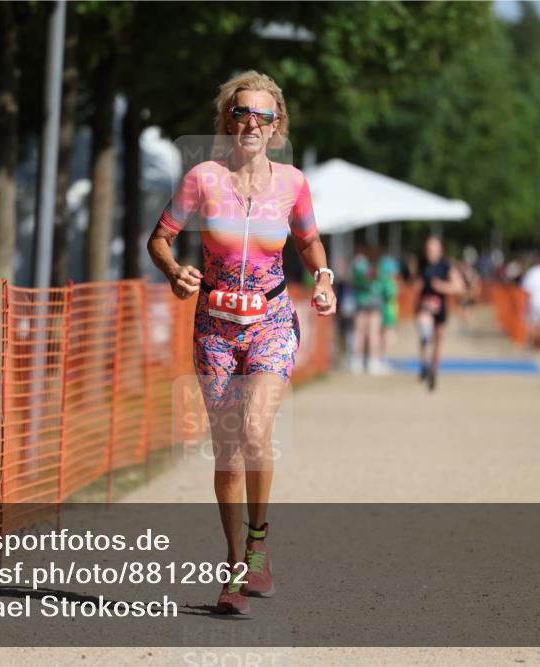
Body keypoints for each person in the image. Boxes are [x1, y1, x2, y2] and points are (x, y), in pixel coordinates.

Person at [146, 70, 335, 615]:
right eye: (240, 113)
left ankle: (258, 544)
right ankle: (233, 567)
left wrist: (323, 277)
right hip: (215, 326)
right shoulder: (202, 178)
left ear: (277, 127)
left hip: (272, 319)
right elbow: (160, 238)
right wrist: (173, 269)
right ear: (226, 122)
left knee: (256, 428)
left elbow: (309, 240)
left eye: (262, 115)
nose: (250, 123)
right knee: (227, 452)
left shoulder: (293, 183)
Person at [415, 236, 464, 392]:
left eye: (433, 249)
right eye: (428, 249)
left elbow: (459, 287)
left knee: (439, 339)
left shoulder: (446, 265)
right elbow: (416, 283)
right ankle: (424, 364)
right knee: (425, 332)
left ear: (440, 250)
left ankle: (433, 371)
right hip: (425, 306)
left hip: (440, 307)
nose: (430, 252)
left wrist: (442, 286)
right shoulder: (422, 263)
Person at [349, 243, 387, 375]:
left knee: (359, 332)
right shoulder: (376, 266)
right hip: (374, 301)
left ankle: (357, 362)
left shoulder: (359, 264)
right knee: (373, 333)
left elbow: (356, 279)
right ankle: (373, 362)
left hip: (362, 300)